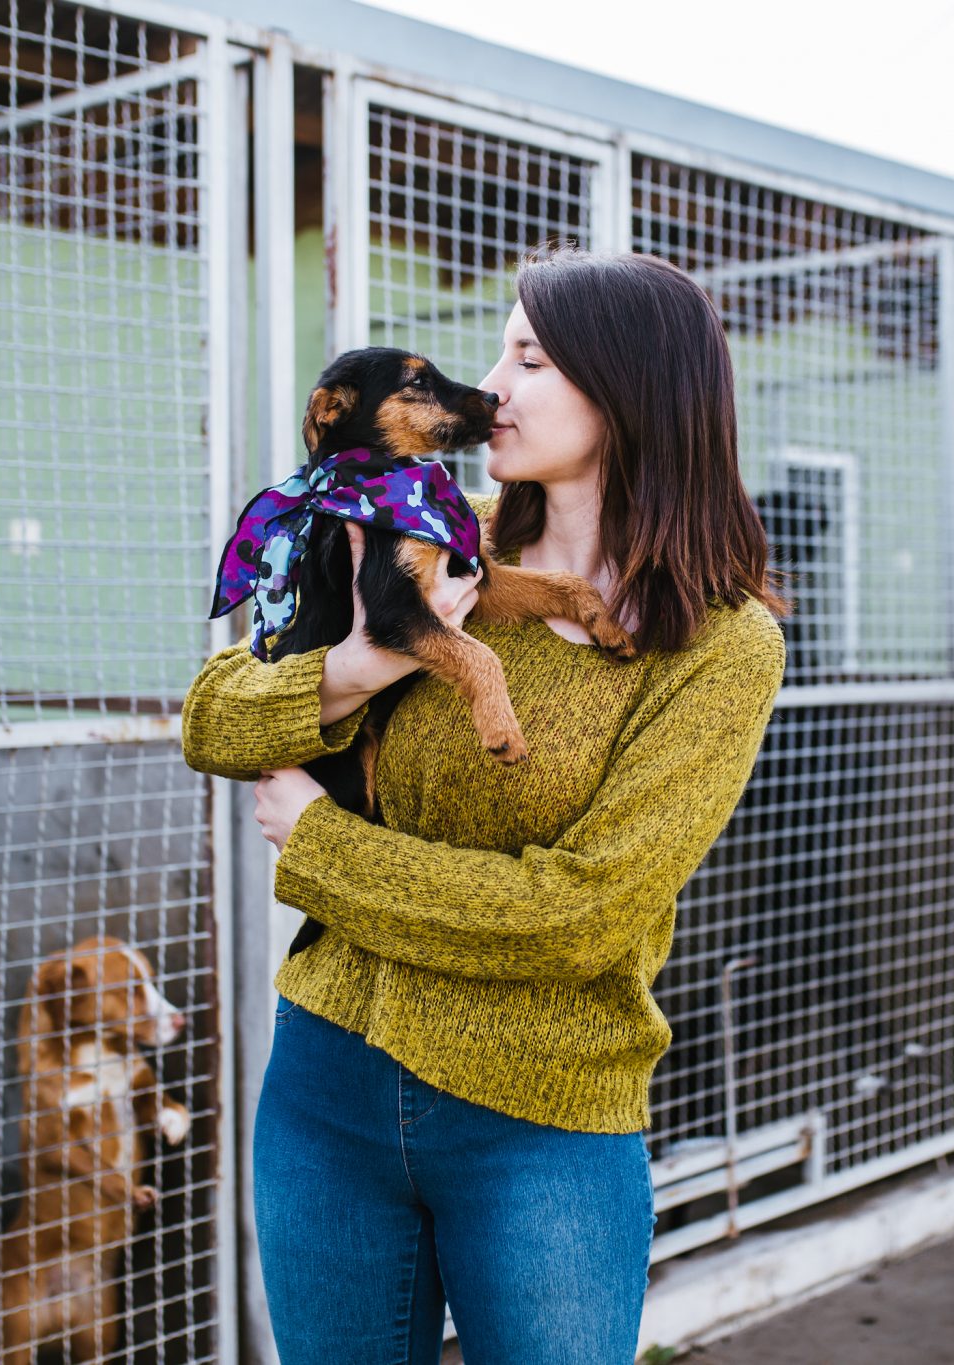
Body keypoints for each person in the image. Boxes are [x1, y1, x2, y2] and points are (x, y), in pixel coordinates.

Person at [181, 248, 786, 1361]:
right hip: (328, 1081)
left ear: (631, 387)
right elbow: (213, 716)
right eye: (497, 354)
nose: (492, 385)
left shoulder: (719, 642)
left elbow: (582, 914)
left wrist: (318, 848)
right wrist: (361, 666)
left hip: (540, 1117)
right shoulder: (426, 529)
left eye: (530, 357)